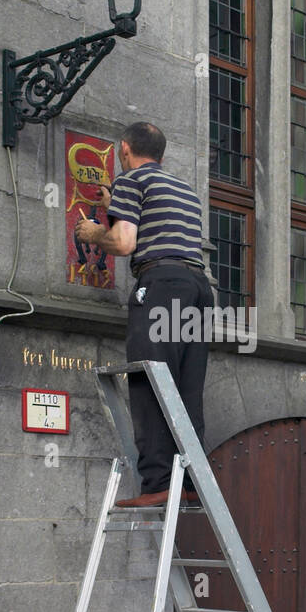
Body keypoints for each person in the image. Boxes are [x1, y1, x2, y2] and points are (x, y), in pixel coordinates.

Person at [74, 121, 214, 507]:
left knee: (149, 379)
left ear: (123, 149)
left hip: (161, 285)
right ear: (162, 154)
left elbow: (123, 242)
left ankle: (155, 486)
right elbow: (156, 223)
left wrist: (91, 232)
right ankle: (188, 483)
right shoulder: (183, 190)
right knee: (186, 387)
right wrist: (112, 205)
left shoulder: (132, 180)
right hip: (198, 289)